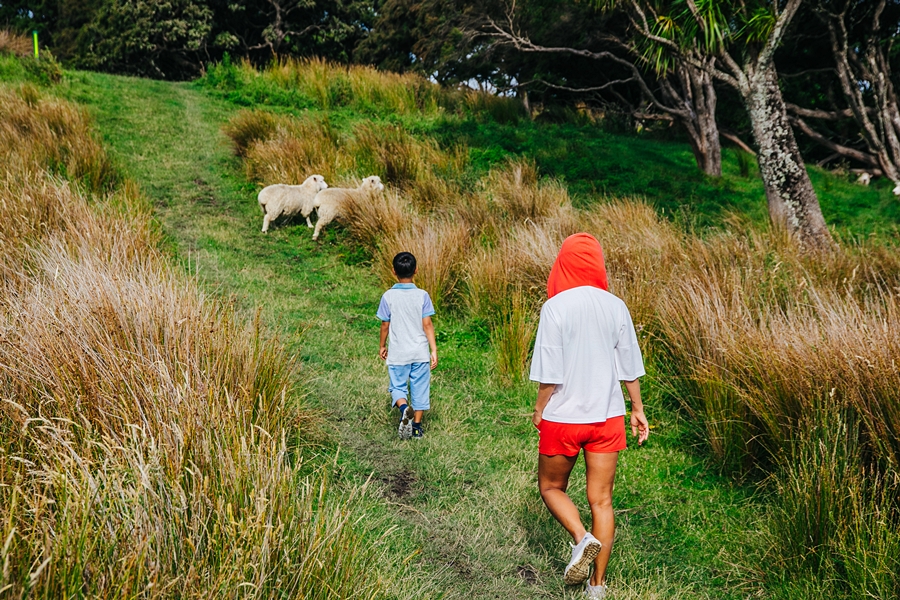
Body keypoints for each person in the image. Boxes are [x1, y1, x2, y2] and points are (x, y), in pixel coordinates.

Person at [529, 233, 649, 599]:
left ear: (562, 263)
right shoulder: (617, 306)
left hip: (565, 416)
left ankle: (581, 539)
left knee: (551, 487)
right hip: (607, 417)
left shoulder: (556, 307)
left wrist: (538, 409)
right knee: (603, 501)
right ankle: (597, 589)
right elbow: (629, 366)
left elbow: (550, 372)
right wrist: (638, 410)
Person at [377, 251, 438, 439]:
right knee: (420, 388)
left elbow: (385, 324)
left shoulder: (388, 296)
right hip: (419, 351)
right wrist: (433, 350)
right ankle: (417, 428)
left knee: (397, 386)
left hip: (398, 352)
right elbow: (427, 324)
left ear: (393, 271)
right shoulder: (422, 295)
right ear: (416, 270)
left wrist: (382, 345)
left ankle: (404, 408)